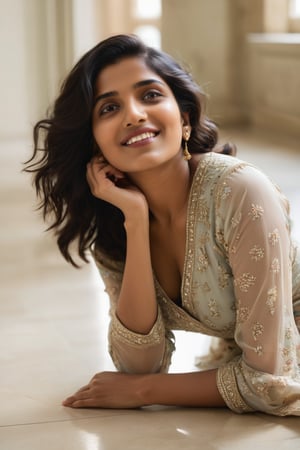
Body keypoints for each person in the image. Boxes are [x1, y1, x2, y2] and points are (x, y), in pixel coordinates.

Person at [25, 34, 300, 416]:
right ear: (94, 145)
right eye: (109, 108)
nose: (134, 114)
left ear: (184, 118)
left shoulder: (239, 192)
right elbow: (138, 363)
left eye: (150, 95)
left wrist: (145, 391)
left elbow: (268, 377)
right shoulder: (113, 219)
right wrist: (135, 224)